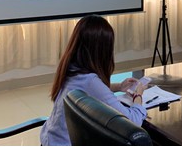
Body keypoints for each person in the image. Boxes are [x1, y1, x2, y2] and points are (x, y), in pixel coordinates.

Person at [40, 15, 147, 146]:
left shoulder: (71, 68)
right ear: (102, 50)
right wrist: (138, 96)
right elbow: (132, 122)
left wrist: (119, 86)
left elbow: (86, 90)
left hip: (50, 139)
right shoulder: (90, 81)